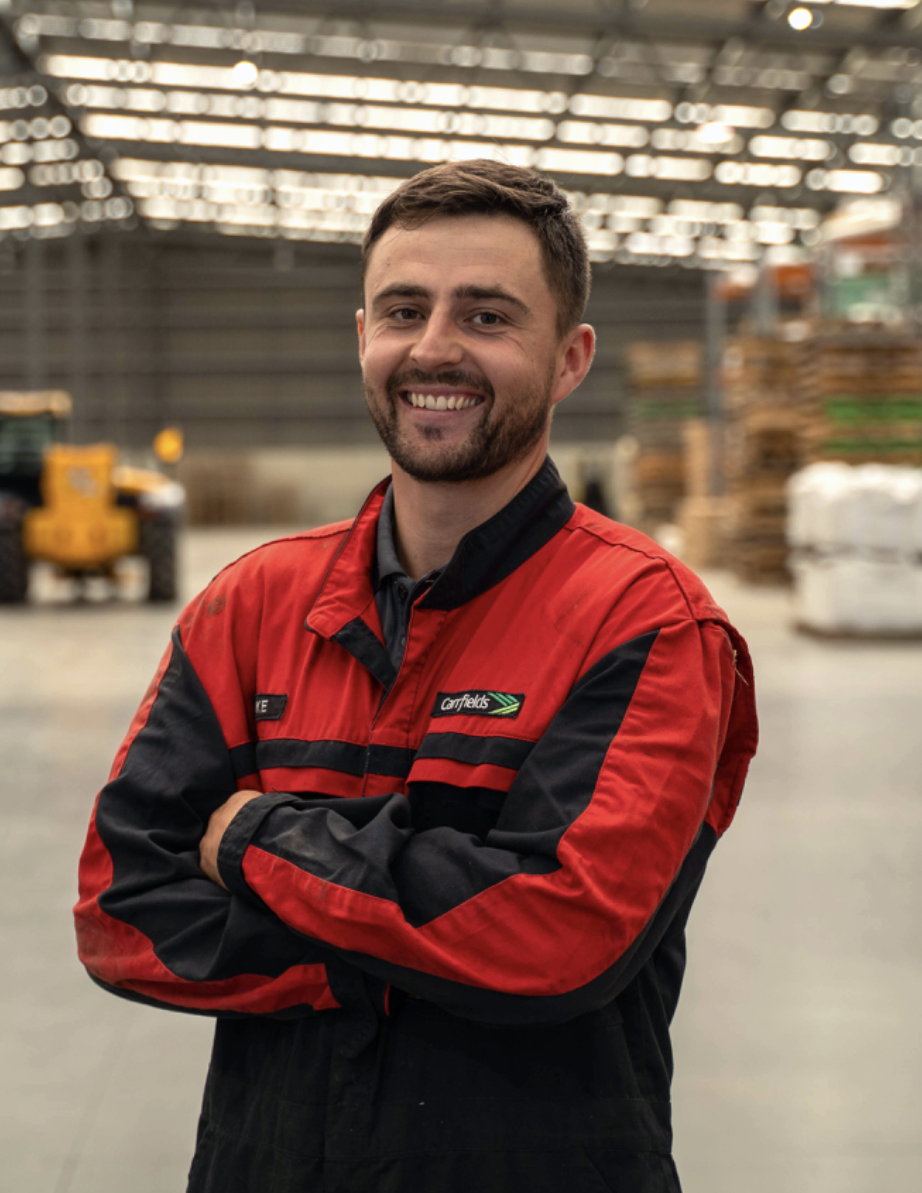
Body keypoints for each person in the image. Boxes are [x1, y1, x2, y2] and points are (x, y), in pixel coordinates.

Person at [75, 160, 758, 1193]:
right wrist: (415, 943)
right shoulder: (252, 605)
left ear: (570, 359)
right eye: (404, 309)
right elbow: (119, 910)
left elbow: (558, 937)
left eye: (487, 316)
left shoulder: (651, 624)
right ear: (362, 337)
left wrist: (258, 838)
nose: (434, 347)